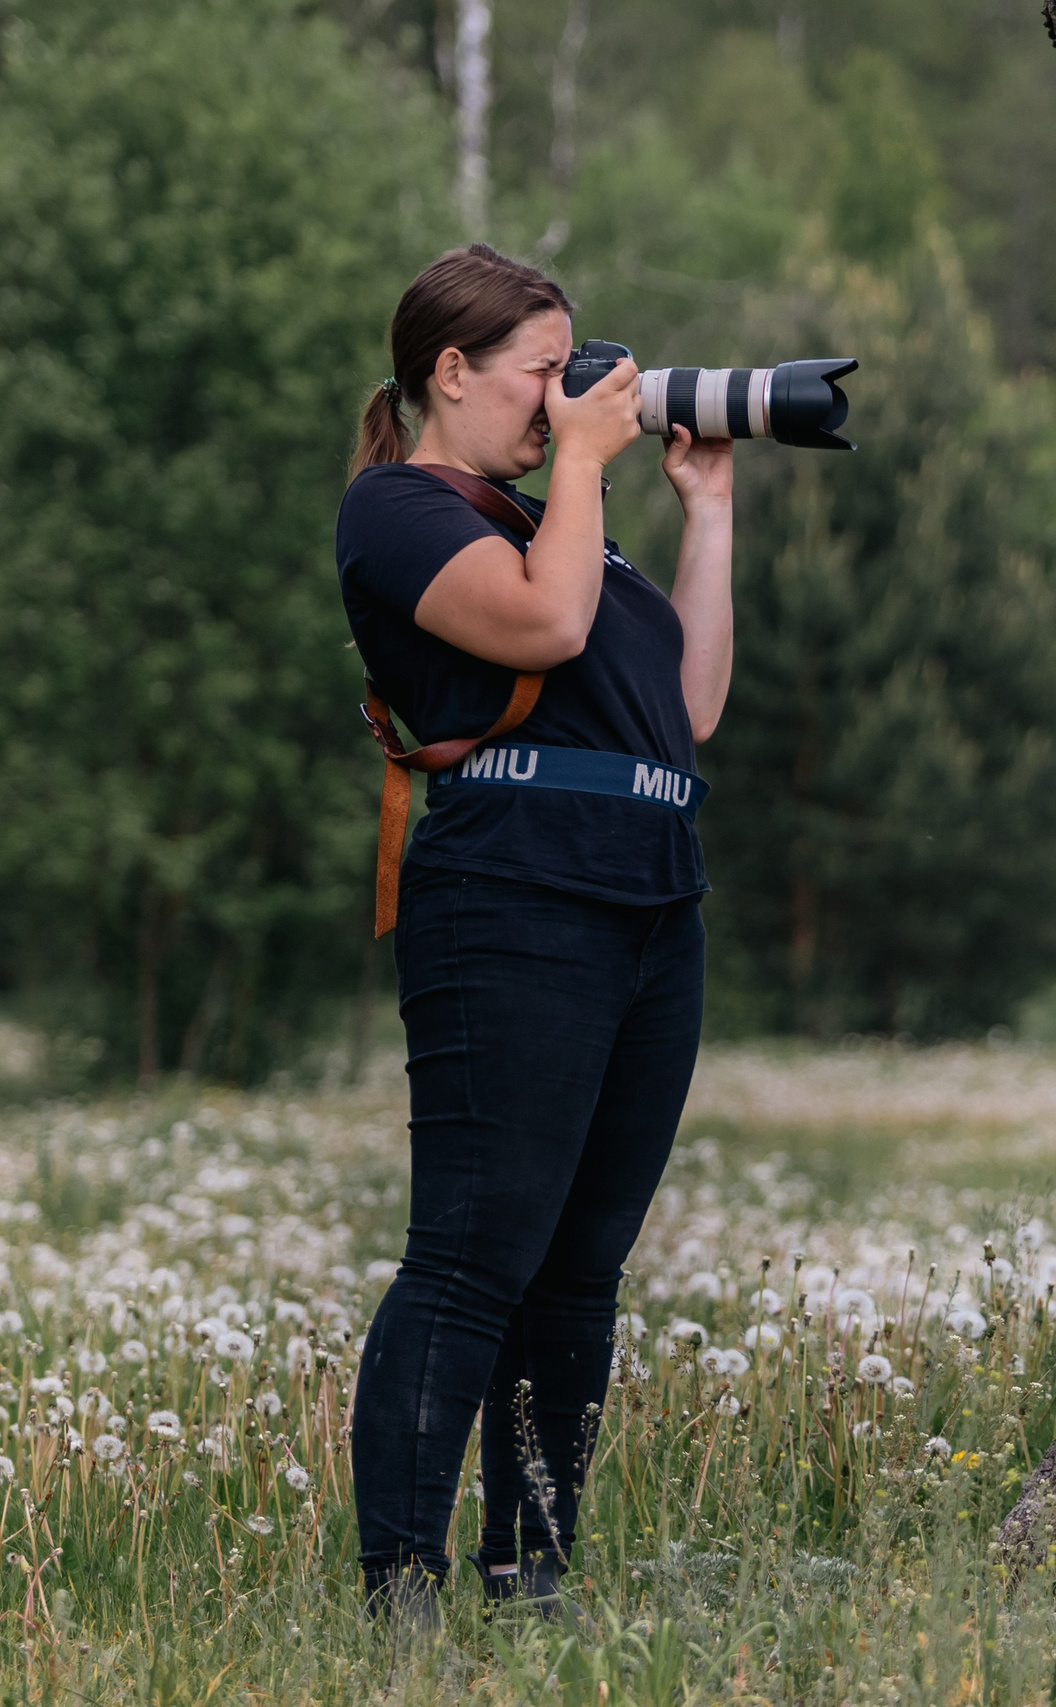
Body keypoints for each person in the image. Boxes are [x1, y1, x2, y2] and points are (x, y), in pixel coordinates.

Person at [335, 244, 734, 1628]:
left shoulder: (568, 525)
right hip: (511, 891)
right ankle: (402, 1593)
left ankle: (533, 1575)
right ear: (451, 372)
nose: (566, 398)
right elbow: (544, 624)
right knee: (475, 1246)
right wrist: (579, 466)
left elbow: (687, 712)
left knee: (582, 1262)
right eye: (540, 373)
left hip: (647, 893)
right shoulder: (401, 511)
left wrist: (708, 511)